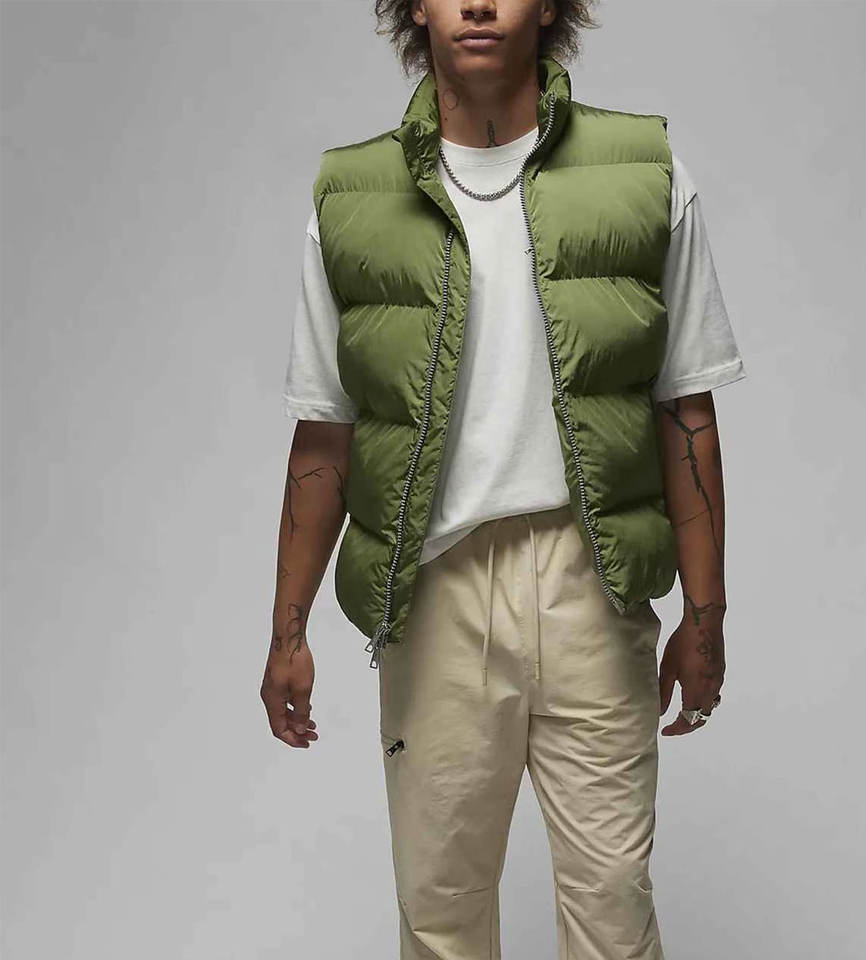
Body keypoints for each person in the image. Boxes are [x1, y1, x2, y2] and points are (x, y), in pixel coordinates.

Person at [260, 1, 746, 957]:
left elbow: (687, 411)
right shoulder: (349, 195)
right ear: (415, 7)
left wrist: (706, 616)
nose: (478, 3)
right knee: (439, 916)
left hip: (593, 583)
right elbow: (325, 435)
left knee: (614, 912)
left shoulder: (644, 172)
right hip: (435, 592)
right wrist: (287, 633)